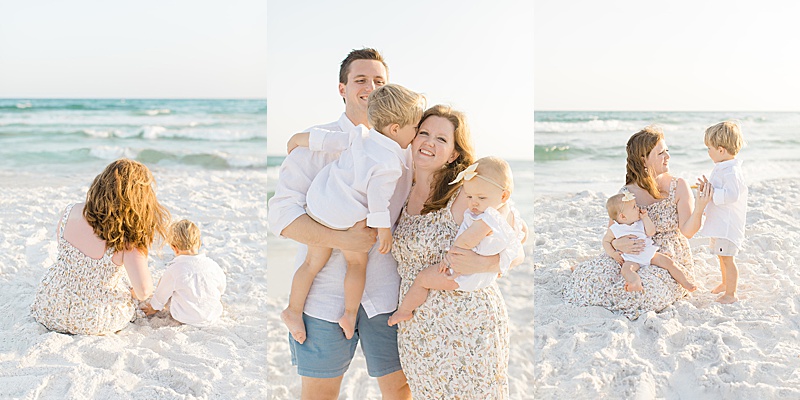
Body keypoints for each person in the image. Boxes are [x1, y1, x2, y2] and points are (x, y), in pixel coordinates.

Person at [267, 48, 411, 400]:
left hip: (387, 296)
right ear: (342, 88)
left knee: (400, 392)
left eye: (379, 80)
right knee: (319, 394)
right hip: (322, 299)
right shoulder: (317, 141)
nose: (371, 87)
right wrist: (343, 239)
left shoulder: (404, 148)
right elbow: (282, 217)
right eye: (360, 79)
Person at [392, 105, 527, 398]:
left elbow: (517, 245)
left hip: (468, 322)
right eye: (424, 133)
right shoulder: (401, 187)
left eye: (441, 139)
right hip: (419, 329)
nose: (429, 142)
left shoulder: (468, 193)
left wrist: (484, 262)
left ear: (454, 153)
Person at [280, 83, 425, 343]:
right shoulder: (390, 163)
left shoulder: (360, 135)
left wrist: (297, 139)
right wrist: (383, 232)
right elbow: (379, 200)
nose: (416, 135)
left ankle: (292, 310)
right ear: (395, 129)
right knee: (357, 263)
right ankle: (348, 313)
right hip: (346, 217)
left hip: (319, 204)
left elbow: (324, 140)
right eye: (415, 128)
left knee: (312, 263)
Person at [563, 125, 713, 320]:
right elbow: (612, 232)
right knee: (590, 280)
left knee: (644, 294)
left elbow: (688, 232)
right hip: (631, 253)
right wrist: (617, 244)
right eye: (661, 153)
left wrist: (700, 207)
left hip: (665, 255)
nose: (667, 157)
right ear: (644, 159)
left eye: (667, 151)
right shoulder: (626, 192)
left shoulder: (679, 186)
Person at [31, 158, 170, 335]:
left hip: (50, 305)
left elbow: (68, 254)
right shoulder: (128, 237)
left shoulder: (70, 211)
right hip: (93, 319)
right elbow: (143, 291)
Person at [388, 156, 524, 327]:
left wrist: (449, 258)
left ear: (504, 195)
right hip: (480, 277)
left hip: (463, 274)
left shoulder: (488, 218)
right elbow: (520, 238)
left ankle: (404, 311)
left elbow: (467, 240)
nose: (474, 203)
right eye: (469, 196)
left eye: (481, 198)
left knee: (422, 280)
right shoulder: (510, 214)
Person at [697, 121, 747, 304]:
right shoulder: (723, 167)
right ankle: (725, 283)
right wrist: (708, 188)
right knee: (721, 256)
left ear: (720, 150)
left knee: (728, 259)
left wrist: (712, 193)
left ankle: (731, 293)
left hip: (727, 226)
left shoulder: (732, 171)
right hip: (719, 223)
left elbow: (732, 195)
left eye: (709, 148)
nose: (708, 152)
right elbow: (719, 190)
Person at [604, 192, 696, 293]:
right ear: (623, 216)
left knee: (669, 263)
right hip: (631, 258)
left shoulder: (639, 222)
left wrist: (645, 218)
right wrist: (613, 254)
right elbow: (606, 241)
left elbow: (651, 232)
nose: (638, 208)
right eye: (634, 207)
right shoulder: (615, 229)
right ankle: (635, 282)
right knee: (626, 270)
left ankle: (685, 283)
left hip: (649, 253)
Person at [141, 219, 226, 326]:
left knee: (166, 283)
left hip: (185, 316)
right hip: (212, 314)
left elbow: (161, 295)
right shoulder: (212, 265)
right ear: (199, 243)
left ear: (174, 248)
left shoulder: (174, 269)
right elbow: (221, 287)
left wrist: (153, 307)